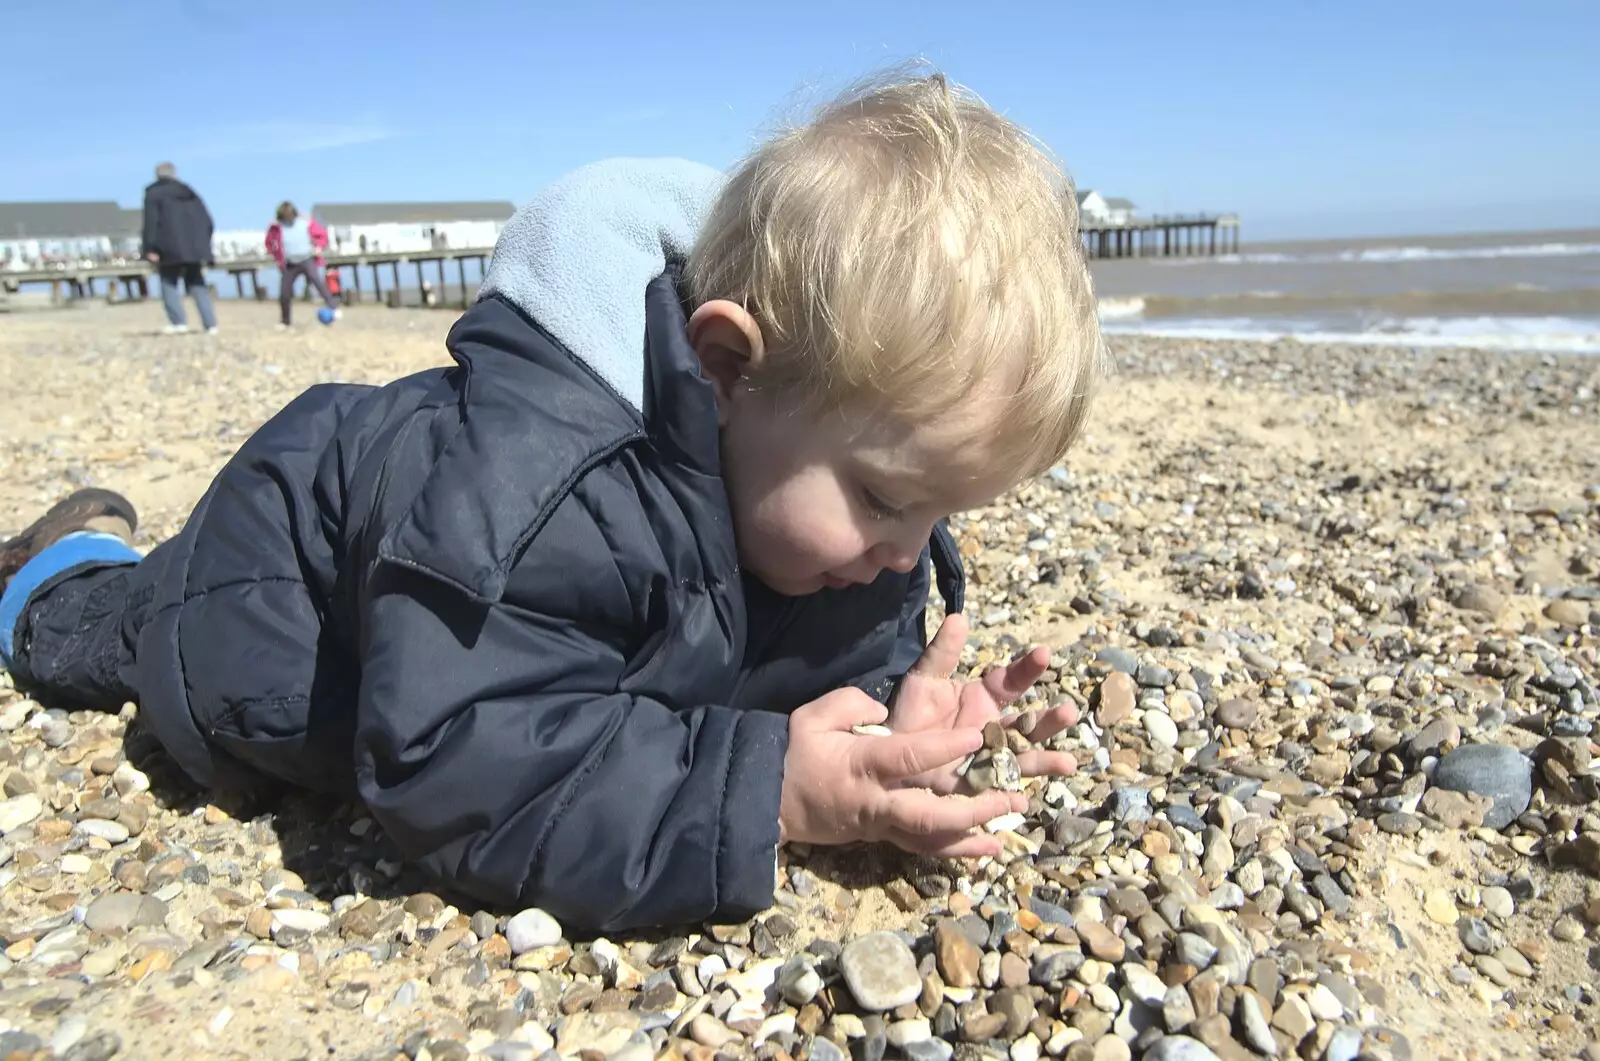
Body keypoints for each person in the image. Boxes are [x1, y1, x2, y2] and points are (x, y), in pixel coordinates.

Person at [0, 71, 1108, 932]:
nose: (902, 554)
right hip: (283, 579)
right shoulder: (542, 496)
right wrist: (771, 791)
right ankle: (61, 566)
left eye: (942, 514)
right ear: (727, 367)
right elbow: (453, 759)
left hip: (444, 563)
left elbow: (790, 664)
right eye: (882, 498)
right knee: (108, 638)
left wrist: (881, 733)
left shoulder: (828, 501)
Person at [140, 162, 218, 335]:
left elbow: (151, 222)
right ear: (175, 174)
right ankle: (211, 324)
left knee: (169, 282)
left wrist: (149, 248)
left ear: (157, 175)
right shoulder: (190, 193)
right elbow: (208, 221)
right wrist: (204, 243)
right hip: (195, 247)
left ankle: (178, 323)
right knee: (197, 283)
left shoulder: (153, 193)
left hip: (168, 245)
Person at [265, 201, 339, 328]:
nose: (288, 218)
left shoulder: (305, 223)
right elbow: (269, 242)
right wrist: (276, 255)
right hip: (289, 263)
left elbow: (323, 235)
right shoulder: (276, 227)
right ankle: (285, 321)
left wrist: (319, 247)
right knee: (284, 292)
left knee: (316, 280)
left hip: (307, 258)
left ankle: (333, 308)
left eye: (290, 215)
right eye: (285, 216)